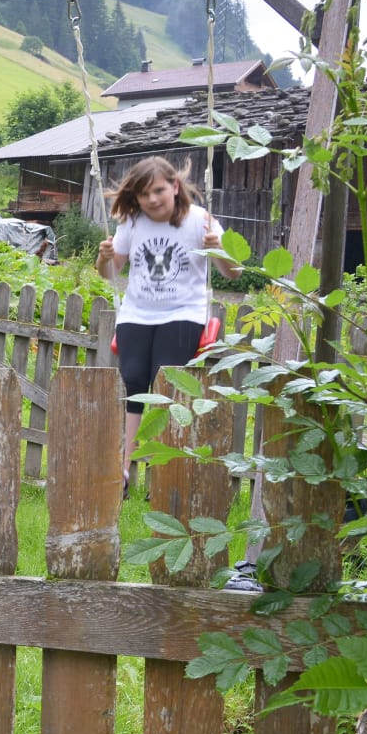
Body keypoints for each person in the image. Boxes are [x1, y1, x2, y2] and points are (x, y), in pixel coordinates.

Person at [96, 156, 240, 489]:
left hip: (184, 313)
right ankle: (124, 470)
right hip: (137, 313)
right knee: (133, 380)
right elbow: (110, 273)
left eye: (158, 190)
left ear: (175, 186)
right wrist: (103, 258)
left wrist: (219, 249)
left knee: (165, 385)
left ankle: (164, 473)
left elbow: (233, 274)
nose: (152, 200)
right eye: (144, 194)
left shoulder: (201, 221)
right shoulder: (131, 222)